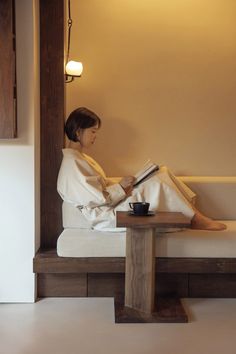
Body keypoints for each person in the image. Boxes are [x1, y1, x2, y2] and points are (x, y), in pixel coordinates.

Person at [57, 107, 226, 231]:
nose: (96, 136)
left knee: (162, 172)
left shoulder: (82, 159)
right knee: (157, 183)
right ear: (78, 132)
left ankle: (193, 212)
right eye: (93, 131)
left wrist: (127, 184)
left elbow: (99, 187)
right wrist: (122, 187)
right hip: (105, 216)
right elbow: (96, 198)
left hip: (110, 204)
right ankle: (195, 219)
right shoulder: (72, 164)